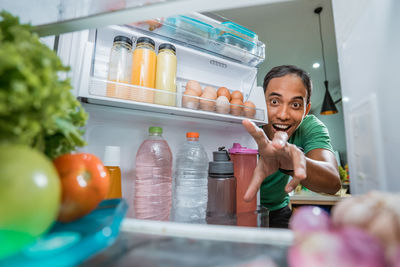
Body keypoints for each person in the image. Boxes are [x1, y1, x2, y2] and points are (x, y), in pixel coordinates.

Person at [242, 65, 341, 228]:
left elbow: (332, 182)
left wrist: (288, 162)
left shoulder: (310, 126)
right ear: (262, 102)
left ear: (306, 109)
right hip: (239, 210)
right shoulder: (247, 120)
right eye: (274, 102)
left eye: (295, 105)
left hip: (278, 211)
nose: (283, 115)